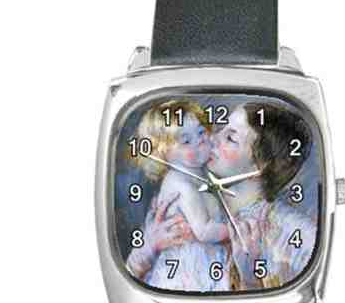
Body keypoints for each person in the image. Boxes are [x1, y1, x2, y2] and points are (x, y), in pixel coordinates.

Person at [127, 102, 317, 291]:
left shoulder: (294, 232)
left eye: (230, 138)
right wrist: (147, 251)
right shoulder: (182, 199)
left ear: (260, 165)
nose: (212, 138)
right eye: (221, 129)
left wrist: (249, 277)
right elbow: (129, 285)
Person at [130, 100, 230, 291]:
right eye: (186, 141)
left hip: (207, 260)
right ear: (163, 153)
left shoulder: (201, 172)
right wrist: (234, 230)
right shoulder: (181, 184)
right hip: (189, 269)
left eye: (201, 132)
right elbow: (204, 231)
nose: (199, 141)